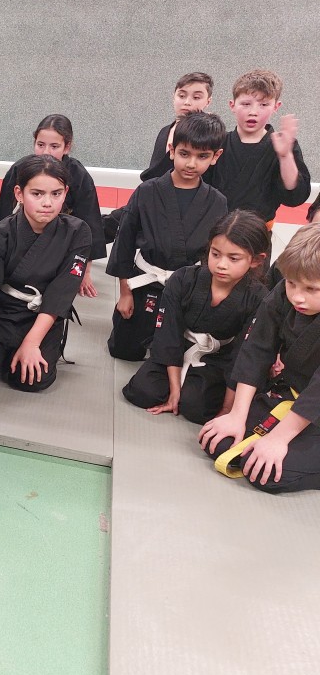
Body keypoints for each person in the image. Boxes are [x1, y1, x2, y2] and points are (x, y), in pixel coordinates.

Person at [199, 223, 320, 492]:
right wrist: (236, 414)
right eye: (291, 283)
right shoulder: (284, 292)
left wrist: (279, 439)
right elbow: (257, 349)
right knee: (221, 444)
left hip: (314, 406)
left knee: (268, 474)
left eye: (311, 289)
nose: (297, 297)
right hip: (292, 395)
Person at [122, 210, 269, 424]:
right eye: (215, 254)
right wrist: (174, 391)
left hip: (217, 358)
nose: (221, 264)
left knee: (195, 408)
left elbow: (243, 353)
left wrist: (228, 408)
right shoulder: (183, 279)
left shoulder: (259, 298)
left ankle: (196, 393)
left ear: (255, 260)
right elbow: (168, 334)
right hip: (178, 346)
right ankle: (177, 387)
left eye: (233, 258)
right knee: (142, 392)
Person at [107, 111, 229, 362]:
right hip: (145, 282)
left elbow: (215, 255)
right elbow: (124, 244)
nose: (191, 164)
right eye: (185, 154)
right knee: (124, 350)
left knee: (175, 356)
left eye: (202, 156)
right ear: (172, 151)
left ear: (215, 157)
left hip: (187, 290)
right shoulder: (146, 191)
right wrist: (125, 293)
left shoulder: (217, 202)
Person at [0, 155, 91, 398]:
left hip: (42, 315)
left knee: (32, 379)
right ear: (19, 194)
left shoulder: (77, 233)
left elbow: (60, 294)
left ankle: (33, 347)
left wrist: (32, 343)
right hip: (1, 314)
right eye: (37, 194)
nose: (47, 203)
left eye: (56, 194)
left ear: (66, 192)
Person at [0, 115, 105, 297]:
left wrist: (85, 271)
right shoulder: (21, 168)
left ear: (67, 147)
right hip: (28, 223)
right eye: (40, 145)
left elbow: (89, 220)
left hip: (62, 233)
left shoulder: (78, 174)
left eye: (54, 146)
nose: (46, 152)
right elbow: (1, 213)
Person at [204, 69, 310, 225]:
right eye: (246, 104)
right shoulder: (218, 142)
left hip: (258, 233)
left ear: (276, 106)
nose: (253, 112)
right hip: (216, 230)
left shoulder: (285, 145)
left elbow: (295, 196)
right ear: (232, 105)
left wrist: (285, 156)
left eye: (264, 105)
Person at [142, 72, 214, 182]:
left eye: (196, 97)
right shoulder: (165, 131)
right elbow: (153, 171)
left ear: (208, 101)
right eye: (181, 96)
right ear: (174, 97)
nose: (187, 102)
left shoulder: (213, 135)